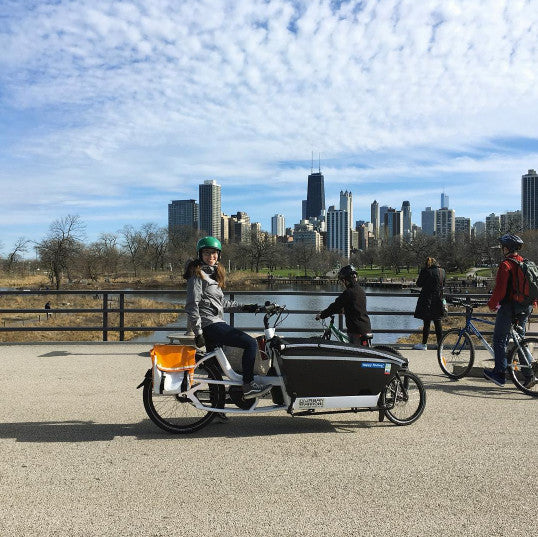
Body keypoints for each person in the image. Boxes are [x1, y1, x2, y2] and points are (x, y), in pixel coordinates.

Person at [184, 236, 272, 399]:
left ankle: (217, 409)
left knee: (214, 369)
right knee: (250, 343)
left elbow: (221, 303)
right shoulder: (197, 276)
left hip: (215, 323)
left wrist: (248, 307)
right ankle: (249, 385)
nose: (211, 256)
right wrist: (198, 333)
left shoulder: (211, 277)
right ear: (200, 254)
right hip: (209, 324)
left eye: (214, 253)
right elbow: (192, 306)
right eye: (207, 253)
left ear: (219, 255)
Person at [483, 234, 536, 388]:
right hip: (526, 306)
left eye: (503, 247)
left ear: (506, 248)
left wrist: (492, 304)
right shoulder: (524, 262)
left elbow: (500, 290)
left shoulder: (506, 264)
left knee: (499, 339)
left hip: (510, 308)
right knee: (519, 340)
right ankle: (529, 375)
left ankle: (499, 374)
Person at [315, 265, 372, 345]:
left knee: (355, 355)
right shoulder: (361, 291)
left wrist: (321, 315)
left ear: (346, 280)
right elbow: (354, 306)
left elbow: (334, 306)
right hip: (366, 327)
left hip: (356, 330)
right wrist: (342, 310)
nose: (342, 283)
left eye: (342, 281)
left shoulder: (348, 293)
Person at [413, 257, 446, 350]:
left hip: (427, 299)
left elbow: (419, 283)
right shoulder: (442, 271)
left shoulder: (426, 271)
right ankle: (440, 344)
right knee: (438, 322)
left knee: (426, 322)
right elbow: (443, 284)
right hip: (438, 299)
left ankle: (424, 344)